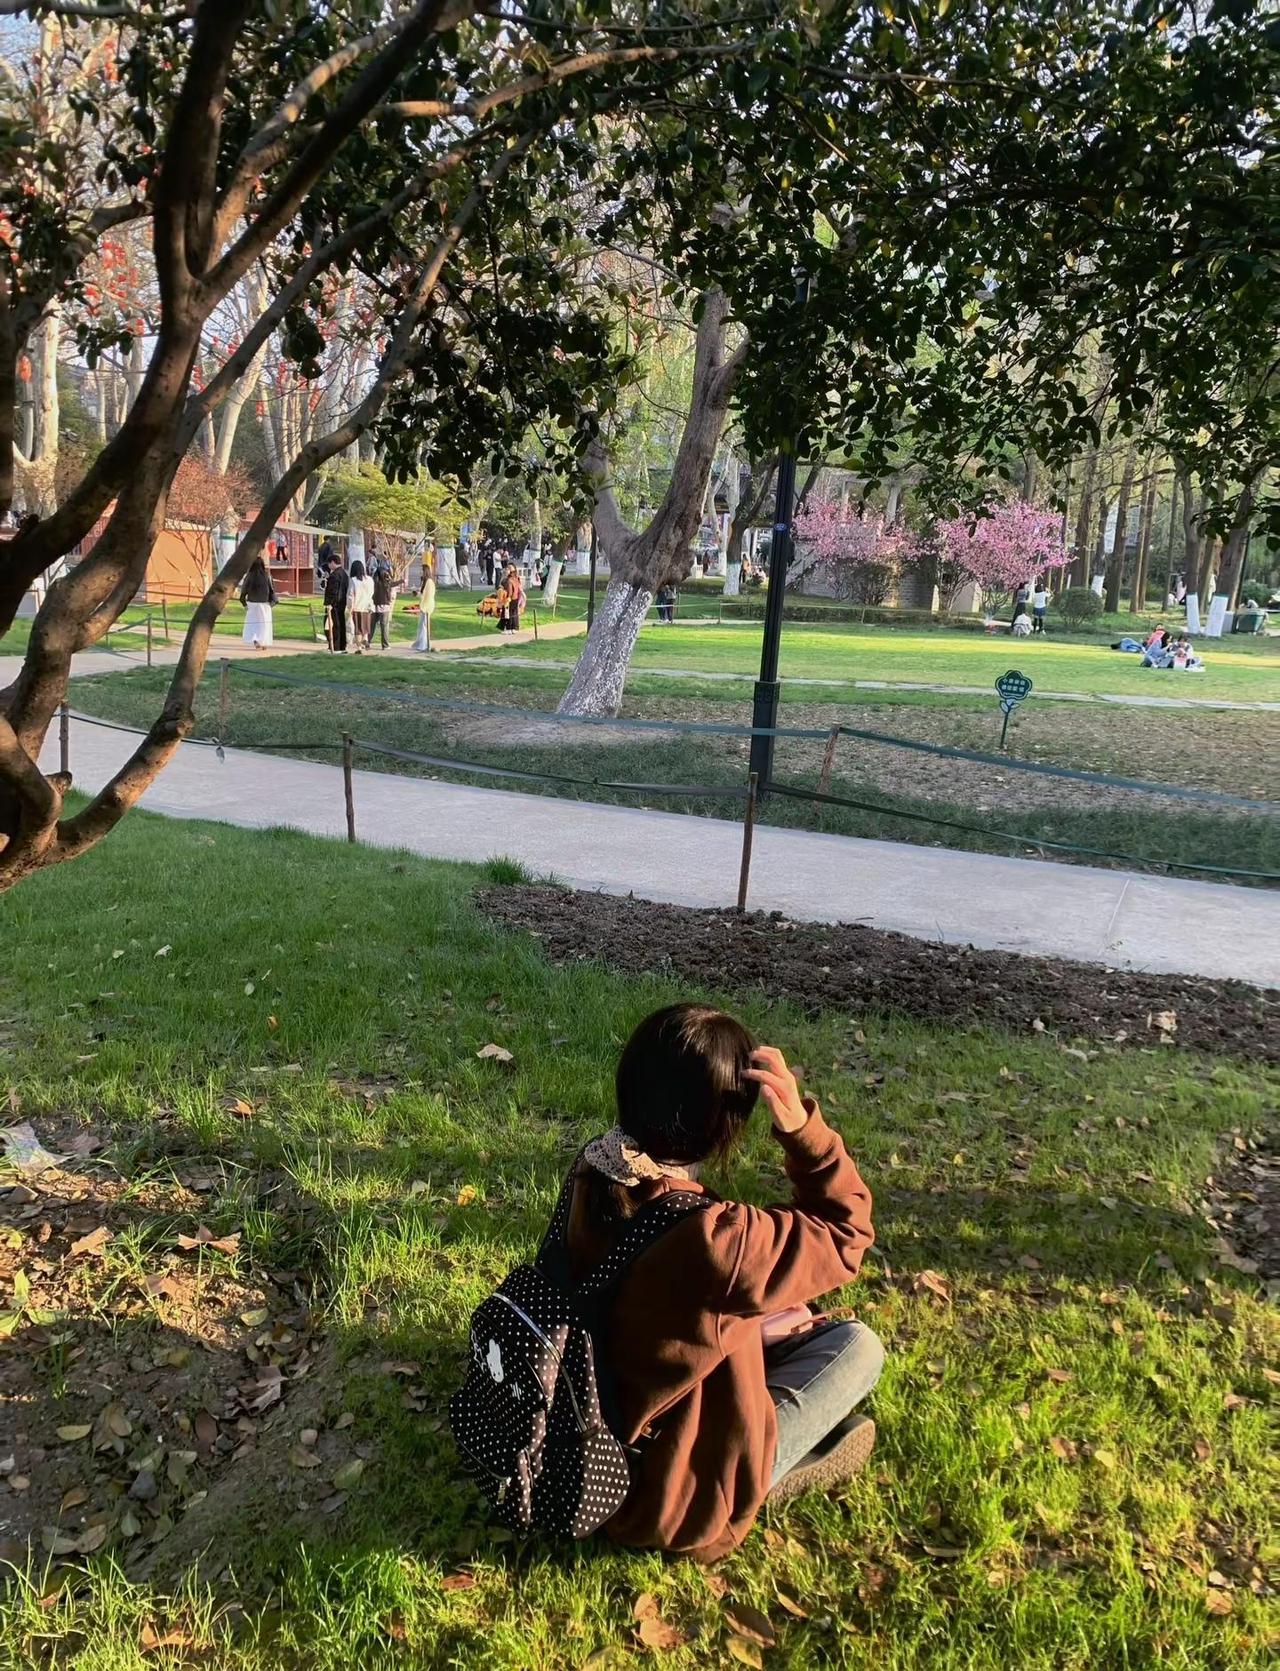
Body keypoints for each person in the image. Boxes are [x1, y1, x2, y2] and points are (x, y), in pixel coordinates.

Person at [543, 1004, 880, 1560]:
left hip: (579, 1443)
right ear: (726, 1123)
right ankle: (760, 1482)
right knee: (858, 1348)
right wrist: (802, 1130)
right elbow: (848, 1232)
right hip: (669, 1502)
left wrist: (750, 1323)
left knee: (775, 1320)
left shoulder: (594, 1169)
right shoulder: (721, 1240)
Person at [239, 555, 276, 649]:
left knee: (253, 624)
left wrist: (244, 603)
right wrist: (272, 602)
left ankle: (255, 639)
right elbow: (271, 590)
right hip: (264, 604)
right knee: (265, 624)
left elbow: (243, 592)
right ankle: (264, 641)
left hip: (252, 603)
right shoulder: (267, 576)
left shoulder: (249, 576)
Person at [323, 557, 349, 653]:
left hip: (334, 604)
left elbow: (332, 591)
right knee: (340, 624)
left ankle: (335, 646)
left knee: (333, 625)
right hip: (342, 602)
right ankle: (342, 646)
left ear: (333, 562)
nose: (329, 566)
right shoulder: (344, 574)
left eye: (329, 564)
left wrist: (329, 603)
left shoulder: (334, 575)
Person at [414, 546, 437, 652]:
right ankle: (420, 643)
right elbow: (423, 594)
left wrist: (422, 599)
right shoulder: (425, 581)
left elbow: (428, 595)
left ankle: (423, 645)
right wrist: (417, 593)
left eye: (422, 571)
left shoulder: (429, 582)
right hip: (424, 605)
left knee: (424, 626)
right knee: (421, 626)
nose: (421, 573)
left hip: (427, 606)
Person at [348, 558, 374, 652]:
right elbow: (372, 593)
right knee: (365, 627)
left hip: (357, 607)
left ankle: (359, 647)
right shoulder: (370, 580)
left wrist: (349, 608)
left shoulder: (353, 580)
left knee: (358, 629)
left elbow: (351, 595)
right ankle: (365, 639)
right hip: (367, 607)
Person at [370, 560, 394, 650]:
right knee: (384, 626)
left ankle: (367, 641)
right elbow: (390, 589)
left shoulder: (374, 582)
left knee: (372, 625)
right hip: (384, 605)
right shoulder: (385, 582)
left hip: (374, 605)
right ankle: (385, 644)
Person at [502, 563, 524, 632]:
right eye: (507, 568)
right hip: (508, 597)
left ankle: (512, 628)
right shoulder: (506, 578)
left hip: (513, 597)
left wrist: (522, 596)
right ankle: (509, 628)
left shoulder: (514, 578)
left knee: (511, 613)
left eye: (510, 568)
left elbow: (518, 588)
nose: (508, 569)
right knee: (508, 613)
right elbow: (502, 585)